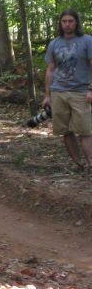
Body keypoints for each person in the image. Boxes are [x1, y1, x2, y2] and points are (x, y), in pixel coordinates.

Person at [43, 9, 92, 174]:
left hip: (80, 92)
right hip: (58, 92)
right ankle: (78, 164)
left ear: (76, 22)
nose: (67, 24)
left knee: (85, 131)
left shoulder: (87, 41)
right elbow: (50, 69)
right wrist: (47, 95)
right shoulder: (54, 43)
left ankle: (91, 163)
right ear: (60, 23)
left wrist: (90, 89)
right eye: (64, 21)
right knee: (65, 131)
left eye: (70, 21)